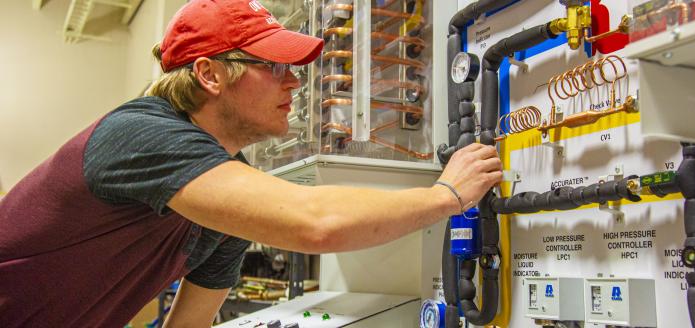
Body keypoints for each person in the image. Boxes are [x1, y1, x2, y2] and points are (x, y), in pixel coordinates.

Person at [0, 0, 502, 326]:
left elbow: (190, 323)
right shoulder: (142, 133)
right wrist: (447, 194)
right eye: (276, 66)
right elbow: (316, 224)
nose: (295, 82)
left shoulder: (226, 193)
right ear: (209, 74)